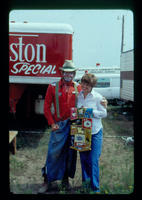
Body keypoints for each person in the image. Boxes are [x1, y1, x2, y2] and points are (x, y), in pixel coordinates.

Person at [39, 60, 107, 193]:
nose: (68, 74)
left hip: (76, 125)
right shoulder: (52, 86)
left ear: (74, 74)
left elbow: (91, 92)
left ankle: (66, 180)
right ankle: (48, 180)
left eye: (71, 73)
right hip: (59, 125)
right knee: (53, 153)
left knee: (71, 154)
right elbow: (46, 106)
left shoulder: (78, 87)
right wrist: (52, 123)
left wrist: (104, 100)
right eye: (66, 72)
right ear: (62, 72)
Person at [77, 73, 107, 194]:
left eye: (87, 84)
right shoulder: (78, 95)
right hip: (82, 131)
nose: (84, 86)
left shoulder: (98, 97)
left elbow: (104, 113)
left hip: (95, 131)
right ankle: (86, 184)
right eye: (83, 83)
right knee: (83, 159)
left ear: (92, 86)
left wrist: (90, 112)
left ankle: (95, 188)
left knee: (93, 160)